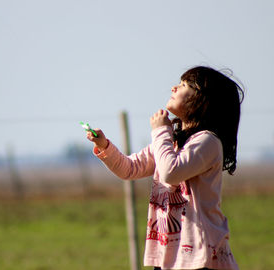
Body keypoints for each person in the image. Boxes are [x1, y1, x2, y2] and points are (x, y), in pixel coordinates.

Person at [85, 66, 244, 270]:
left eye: (185, 85)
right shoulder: (172, 142)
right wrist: (104, 145)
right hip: (169, 254)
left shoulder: (207, 142)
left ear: (202, 100)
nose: (174, 87)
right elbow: (130, 168)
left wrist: (160, 131)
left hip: (199, 254)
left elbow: (171, 172)